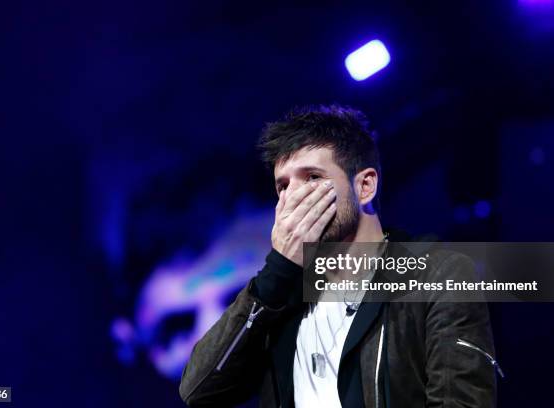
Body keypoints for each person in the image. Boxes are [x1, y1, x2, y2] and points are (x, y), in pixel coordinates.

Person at [179, 105, 498, 407]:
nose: (295, 197)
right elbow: (199, 391)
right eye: (283, 186)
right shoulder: (281, 295)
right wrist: (277, 271)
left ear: (365, 186)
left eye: (313, 178)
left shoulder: (436, 273)